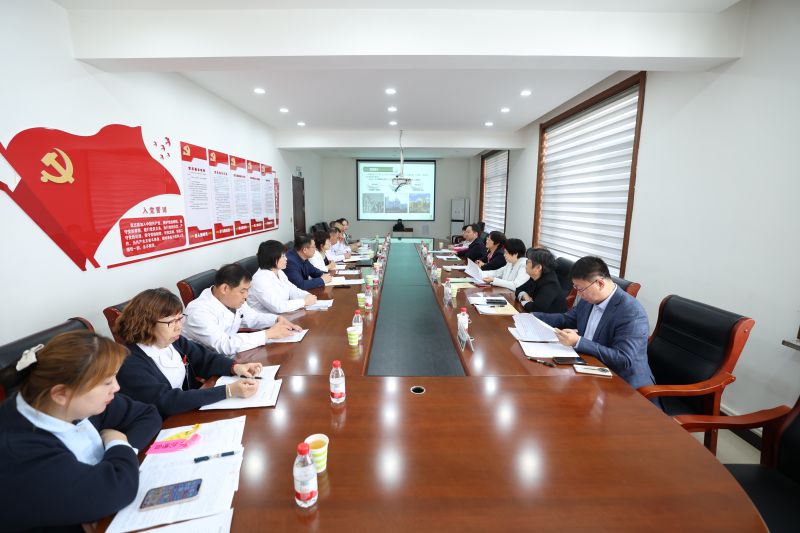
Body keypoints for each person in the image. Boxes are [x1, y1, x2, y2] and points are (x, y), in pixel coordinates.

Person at [0, 331, 161, 532]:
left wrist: (118, 454)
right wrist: (116, 443)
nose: (117, 387)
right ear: (61, 393)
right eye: (107, 382)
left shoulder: (73, 402)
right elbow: (114, 491)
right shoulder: (19, 449)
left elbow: (147, 414)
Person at [115, 288, 262, 417]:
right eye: (171, 322)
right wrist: (228, 391)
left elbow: (204, 359)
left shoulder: (173, 341)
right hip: (164, 425)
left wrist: (235, 367)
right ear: (146, 324)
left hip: (188, 412)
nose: (178, 327)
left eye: (180, 319)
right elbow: (166, 401)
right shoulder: (130, 363)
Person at [534, 256, 655, 390]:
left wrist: (578, 342)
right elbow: (567, 319)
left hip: (624, 384)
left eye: (580, 289)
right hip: (590, 367)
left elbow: (624, 359)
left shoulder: (632, 312)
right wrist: (531, 316)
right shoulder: (589, 299)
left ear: (600, 284)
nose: (579, 294)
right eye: (575, 287)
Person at [183, 263, 301, 355]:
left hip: (236, 354)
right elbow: (223, 345)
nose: (246, 296)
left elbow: (253, 318)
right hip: (210, 365)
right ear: (225, 289)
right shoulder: (198, 311)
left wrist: (276, 319)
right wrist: (268, 334)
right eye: (242, 291)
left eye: (247, 290)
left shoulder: (232, 299)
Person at [250, 240, 319, 313]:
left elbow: (292, 290)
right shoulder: (260, 280)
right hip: (268, 318)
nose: (286, 258)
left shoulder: (279, 272)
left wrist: (307, 295)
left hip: (284, 314)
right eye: (282, 256)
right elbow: (278, 307)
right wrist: (304, 302)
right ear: (272, 258)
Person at [515, 248, 567, 313]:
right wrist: (524, 295)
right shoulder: (535, 276)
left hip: (549, 318)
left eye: (528, 262)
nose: (525, 264)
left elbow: (536, 309)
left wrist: (525, 302)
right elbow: (518, 290)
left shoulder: (550, 284)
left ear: (538, 268)